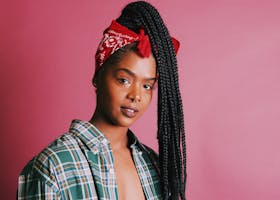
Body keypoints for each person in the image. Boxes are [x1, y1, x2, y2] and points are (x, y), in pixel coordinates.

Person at [17, 1, 186, 199]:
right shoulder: (53, 167)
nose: (136, 96)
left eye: (147, 86)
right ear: (97, 76)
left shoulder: (156, 166)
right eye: (124, 80)